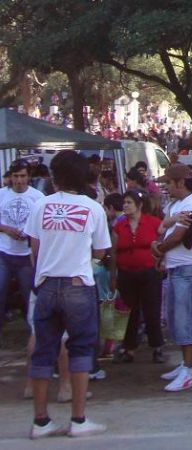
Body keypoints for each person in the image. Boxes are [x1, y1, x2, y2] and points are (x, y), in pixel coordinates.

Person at [25, 150, 110, 438]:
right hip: (78, 284)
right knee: (81, 350)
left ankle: (40, 421)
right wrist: (84, 259)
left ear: (54, 176)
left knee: (42, 352)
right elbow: (101, 251)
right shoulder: (93, 208)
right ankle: (78, 419)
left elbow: (34, 249)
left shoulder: (40, 205)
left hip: (47, 284)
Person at [152, 164, 192, 392]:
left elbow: (178, 235)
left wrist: (158, 249)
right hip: (177, 266)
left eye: (168, 182)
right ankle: (189, 364)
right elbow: (165, 230)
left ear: (180, 182)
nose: (166, 187)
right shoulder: (177, 205)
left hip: (189, 267)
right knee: (176, 317)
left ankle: (188, 369)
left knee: (185, 317)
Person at [109, 190, 164, 364]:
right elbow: (113, 252)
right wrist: (113, 275)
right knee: (129, 312)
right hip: (126, 273)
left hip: (149, 272)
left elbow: (164, 243)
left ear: (139, 205)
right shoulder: (119, 226)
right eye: (124, 202)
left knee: (152, 310)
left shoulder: (153, 222)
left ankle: (157, 347)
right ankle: (129, 348)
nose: (125, 205)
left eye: (129, 202)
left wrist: (162, 262)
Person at [0, 159, 43, 334]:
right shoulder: (2, 194)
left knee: (29, 296)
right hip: (3, 253)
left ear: (29, 177)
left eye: (23, 176)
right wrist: (6, 229)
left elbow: (42, 225)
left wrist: (29, 233)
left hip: (26, 256)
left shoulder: (38, 197)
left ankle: (34, 332)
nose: (19, 180)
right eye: (16, 176)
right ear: (10, 177)